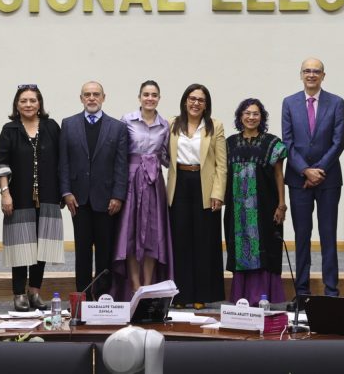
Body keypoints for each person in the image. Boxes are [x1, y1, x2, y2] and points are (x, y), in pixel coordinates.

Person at [281, 57, 344, 305]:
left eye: (316, 71)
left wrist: (317, 171)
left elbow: (337, 142)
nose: (311, 75)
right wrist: (305, 171)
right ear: (301, 74)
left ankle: (331, 292)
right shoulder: (289, 102)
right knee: (302, 236)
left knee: (328, 235)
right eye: (307, 71)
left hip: (328, 180)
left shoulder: (336, 102)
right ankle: (303, 291)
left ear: (323, 75)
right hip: (298, 181)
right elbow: (287, 142)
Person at [0, 85, 64, 310]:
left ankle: (34, 292)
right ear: (17, 104)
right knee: (20, 247)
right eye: (23, 100)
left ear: (40, 103)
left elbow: (62, 161)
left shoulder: (52, 127)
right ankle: (19, 295)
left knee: (41, 246)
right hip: (18, 197)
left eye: (32, 100)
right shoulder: (9, 129)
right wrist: (5, 194)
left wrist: (63, 191)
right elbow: (2, 164)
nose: (28, 104)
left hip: (48, 196)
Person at [59, 81, 130, 299]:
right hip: (78, 199)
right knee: (81, 251)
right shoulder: (68, 124)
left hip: (107, 200)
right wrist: (66, 192)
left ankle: (102, 298)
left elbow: (121, 165)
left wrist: (118, 195)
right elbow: (64, 162)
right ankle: (82, 297)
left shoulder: (117, 127)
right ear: (81, 98)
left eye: (96, 94)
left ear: (103, 97)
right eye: (87, 94)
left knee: (104, 252)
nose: (91, 98)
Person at [166, 83, 227, 308]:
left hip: (205, 186)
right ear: (185, 101)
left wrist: (218, 193)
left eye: (201, 100)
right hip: (179, 184)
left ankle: (202, 294)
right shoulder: (172, 124)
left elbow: (221, 164)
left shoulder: (215, 126)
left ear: (206, 104)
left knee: (204, 241)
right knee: (180, 240)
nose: (195, 103)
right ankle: (181, 295)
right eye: (192, 98)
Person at [112, 80, 173, 299]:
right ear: (139, 97)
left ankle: (148, 286)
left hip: (154, 183)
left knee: (152, 235)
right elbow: (119, 153)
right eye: (146, 94)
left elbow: (166, 157)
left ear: (159, 98)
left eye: (154, 95)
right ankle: (135, 285)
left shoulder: (165, 125)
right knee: (130, 233)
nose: (150, 98)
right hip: (131, 181)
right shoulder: (126, 120)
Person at [224, 98, 288, 305]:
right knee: (239, 247)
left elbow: (279, 175)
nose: (251, 117)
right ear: (240, 116)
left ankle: (263, 296)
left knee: (266, 247)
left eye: (255, 114)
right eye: (247, 113)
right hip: (237, 209)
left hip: (265, 206)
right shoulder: (229, 143)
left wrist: (281, 204)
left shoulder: (272, 143)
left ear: (262, 118)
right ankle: (242, 295)